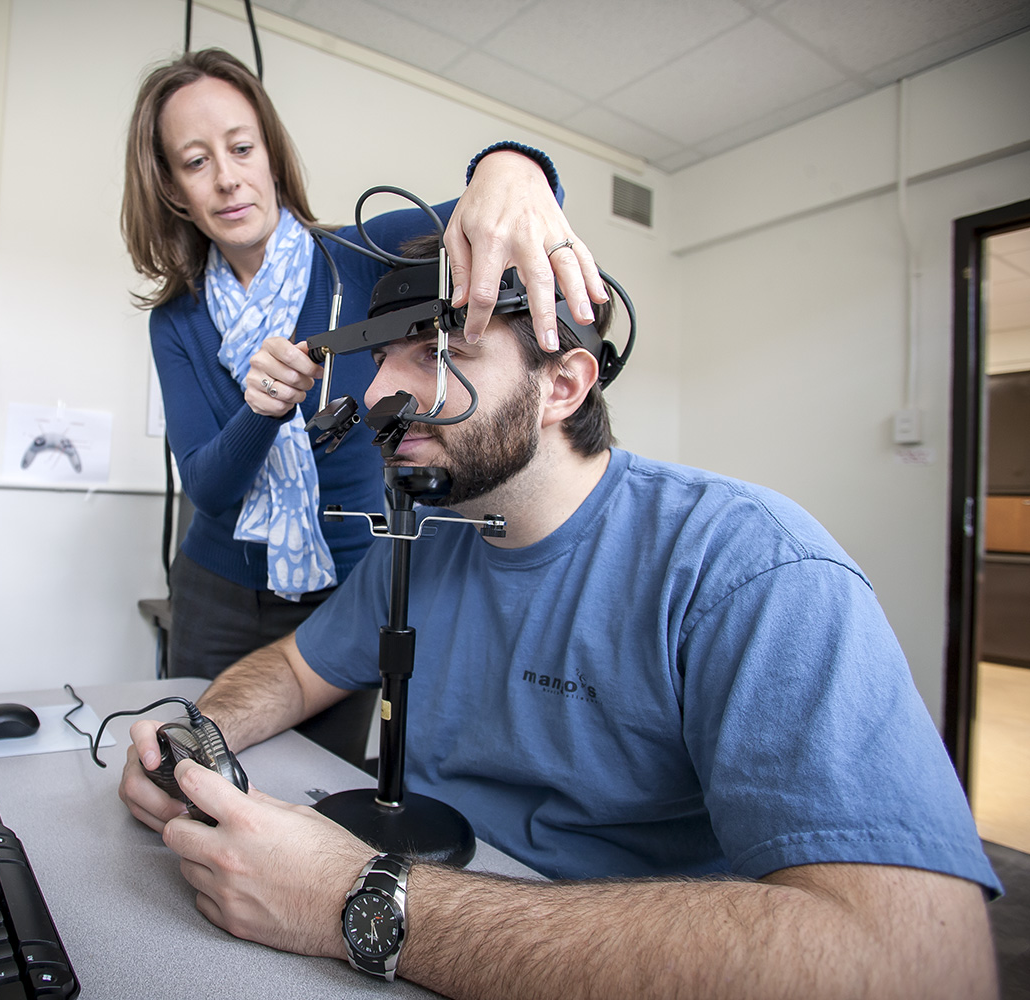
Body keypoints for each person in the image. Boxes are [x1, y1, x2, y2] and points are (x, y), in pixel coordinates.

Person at [117, 243, 1002, 997]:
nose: (385, 393)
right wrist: (196, 733)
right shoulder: (430, 535)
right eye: (382, 359)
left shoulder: (750, 567)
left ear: (565, 384)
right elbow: (301, 668)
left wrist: (361, 899)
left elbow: (923, 965)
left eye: (437, 352)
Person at [121, 47, 607, 684]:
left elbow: (509, 208)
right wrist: (261, 411)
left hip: (349, 587)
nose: (227, 179)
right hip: (218, 591)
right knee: (197, 755)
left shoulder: (363, 253)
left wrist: (509, 166)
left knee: (318, 783)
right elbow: (209, 491)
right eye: (195, 161)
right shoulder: (178, 321)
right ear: (173, 189)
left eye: (242, 148)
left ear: (270, 155)